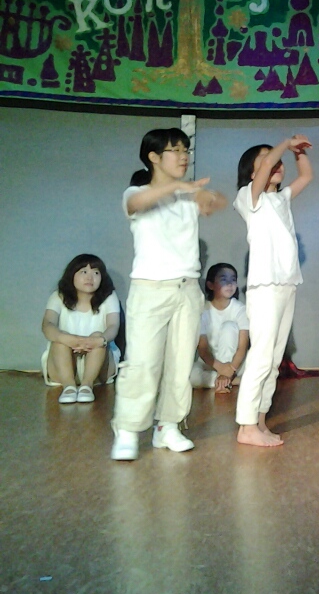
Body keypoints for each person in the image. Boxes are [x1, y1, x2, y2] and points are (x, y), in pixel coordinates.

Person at [111, 129, 227, 461]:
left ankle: (168, 426)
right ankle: (128, 429)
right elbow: (135, 204)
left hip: (187, 289)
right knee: (143, 363)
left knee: (180, 363)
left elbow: (216, 202)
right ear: (154, 157)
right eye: (175, 150)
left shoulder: (188, 197)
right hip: (150, 289)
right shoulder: (137, 192)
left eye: (186, 150)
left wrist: (205, 196)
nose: (183, 156)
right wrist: (178, 187)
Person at [234, 135, 313, 447]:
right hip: (264, 287)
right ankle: (245, 425)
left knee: (274, 358)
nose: (277, 164)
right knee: (261, 356)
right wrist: (284, 144)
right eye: (270, 161)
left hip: (286, 284)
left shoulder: (282, 199)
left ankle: (260, 420)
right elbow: (268, 162)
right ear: (253, 172)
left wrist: (298, 152)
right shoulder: (248, 197)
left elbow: (306, 175)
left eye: (280, 162)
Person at [41, 253, 121, 404]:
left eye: (95, 273)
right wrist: (69, 339)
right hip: (62, 364)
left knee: (98, 336)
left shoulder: (109, 297)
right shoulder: (58, 296)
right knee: (59, 339)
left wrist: (99, 340)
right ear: (72, 275)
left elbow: (113, 326)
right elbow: (47, 325)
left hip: (99, 365)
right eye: (84, 272)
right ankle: (68, 387)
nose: (90, 278)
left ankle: (87, 386)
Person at [190, 263, 249, 393]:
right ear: (210, 285)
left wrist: (231, 369)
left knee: (229, 327)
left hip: (235, 364)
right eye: (223, 279)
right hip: (212, 363)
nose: (229, 284)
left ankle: (224, 380)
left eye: (233, 280)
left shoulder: (240, 309)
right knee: (193, 377)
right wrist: (220, 369)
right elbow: (203, 349)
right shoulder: (203, 310)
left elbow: (243, 346)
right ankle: (231, 381)